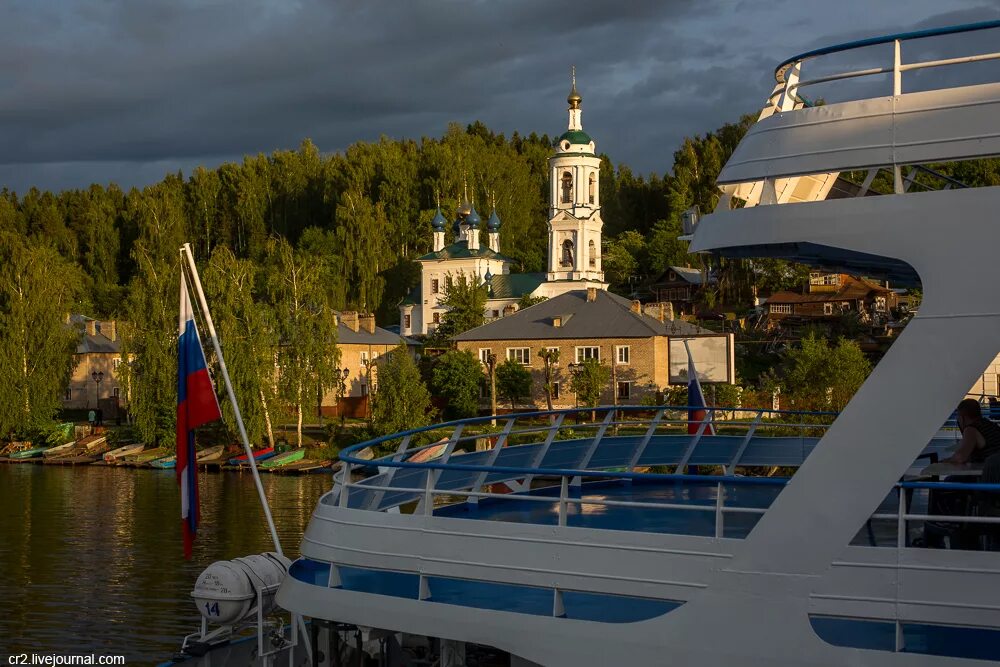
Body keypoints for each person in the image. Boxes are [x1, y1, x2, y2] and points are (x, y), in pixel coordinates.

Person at [924, 399, 1000, 548]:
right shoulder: (990, 425)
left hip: (986, 484)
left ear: (962, 417)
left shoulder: (971, 429)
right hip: (994, 480)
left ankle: (940, 530)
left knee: (945, 486)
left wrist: (947, 460)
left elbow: (960, 457)